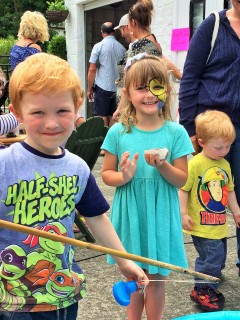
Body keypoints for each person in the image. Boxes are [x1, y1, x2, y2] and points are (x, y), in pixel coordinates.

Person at [0, 52, 148, 319]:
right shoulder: (3, 164)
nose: (52, 122)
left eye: (62, 111)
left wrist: (125, 262)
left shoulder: (77, 168)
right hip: (10, 298)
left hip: (62, 294)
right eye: (38, 112)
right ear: (17, 112)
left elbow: (97, 218)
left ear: (78, 106)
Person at [101, 54, 194, 320]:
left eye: (156, 86)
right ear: (128, 93)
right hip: (130, 217)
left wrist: (163, 166)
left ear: (165, 89)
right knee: (133, 277)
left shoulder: (175, 133)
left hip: (161, 216)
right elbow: (106, 174)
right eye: (141, 88)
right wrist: (125, 176)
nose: (149, 94)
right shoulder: (118, 132)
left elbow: (182, 180)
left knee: (156, 279)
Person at [178, 1, 240, 275]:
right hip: (214, 129)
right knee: (209, 197)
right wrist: (190, 129)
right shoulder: (212, 26)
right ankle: (210, 270)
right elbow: (190, 77)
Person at [179, 110, 240, 312]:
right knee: (211, 257)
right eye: (219, 147)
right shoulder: (195, 164)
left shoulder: (224, 164)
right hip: (202, 225)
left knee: (219, 257)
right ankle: (201, 289)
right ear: (202, 142)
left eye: (228, 145)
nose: (224, 150)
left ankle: (210, 279)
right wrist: (182, 213)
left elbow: (229, 190)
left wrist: (236, 210)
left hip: (220, 224)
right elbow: (183, 188)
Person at [113, 0, 182, 120]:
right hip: (153, 99)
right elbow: (165, 62)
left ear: (133, 22)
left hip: (137, 106)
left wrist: (120, 109)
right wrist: (183, 77)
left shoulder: (138, 46)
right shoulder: (152, 41)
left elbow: (129, 78)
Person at [87, 21, 126, 127]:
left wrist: (89, 89)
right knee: (115, 115)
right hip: (117, 88)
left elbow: (92, 69)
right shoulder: (122, 48)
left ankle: (103, 141)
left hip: (102, 87)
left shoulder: (98, 46)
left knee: (102, 116)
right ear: (114, 32)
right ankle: (112, 141)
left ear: (102, 32)